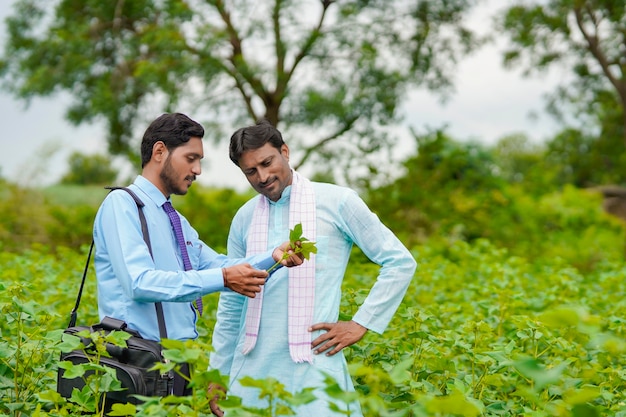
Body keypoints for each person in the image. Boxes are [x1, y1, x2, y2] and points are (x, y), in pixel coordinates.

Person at [209, 119, 417, 416]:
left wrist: (360, 324)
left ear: (285, 151)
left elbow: (399, 261)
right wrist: (218, 374)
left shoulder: (337, 202)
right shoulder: (244, 218)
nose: (263, 176)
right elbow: (232, 302)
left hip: (315, 369)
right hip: (251, 372)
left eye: (268, 162)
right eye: (251, 171)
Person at [93, 113, 303, 396]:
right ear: (159, 152)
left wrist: (274, 256)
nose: (198, 170)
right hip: (134, 363)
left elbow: (220, 265)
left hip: (177, 366)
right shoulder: (123, 204)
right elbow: (138, 282)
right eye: (191, 158)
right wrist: (224, 278)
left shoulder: (175, 220)